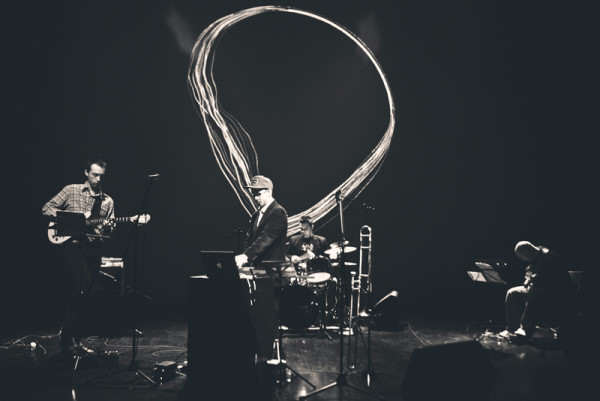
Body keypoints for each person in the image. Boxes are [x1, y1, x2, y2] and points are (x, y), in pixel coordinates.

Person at [42, 159, 115, 355]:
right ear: (86, 173)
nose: (98, 179)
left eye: (101, 176)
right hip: (71, 247)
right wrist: (70, 219)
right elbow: (46, 208)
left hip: (92, 250)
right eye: (95, 174)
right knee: (79, 289)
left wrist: (105, 228)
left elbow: (106, 232)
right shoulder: (71, 190)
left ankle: (73, 339)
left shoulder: (107, 201)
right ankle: (69, 339)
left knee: (87, 294)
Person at [501, 240, 575, 339]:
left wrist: (532, 279)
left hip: (555, 291)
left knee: (535, 291)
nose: (523, 260)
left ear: (527, 252)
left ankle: (526, 328)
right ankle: (512, 328)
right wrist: (528, 279)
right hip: (538, 288)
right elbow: (531, 273)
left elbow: (548, 278)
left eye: (522, 257)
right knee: (512, 292)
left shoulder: (549, 256)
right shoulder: (535, 258)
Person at [235, 175, 288, 269]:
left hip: (272, 269)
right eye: (253, 194)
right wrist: (244, 258)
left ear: (269, 192)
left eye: (258, 194)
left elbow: (266, 238)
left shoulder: (278, 212)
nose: (255, 198)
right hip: (257, 268)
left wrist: (246, 256)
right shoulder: (256, 215)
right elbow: (250, 240)